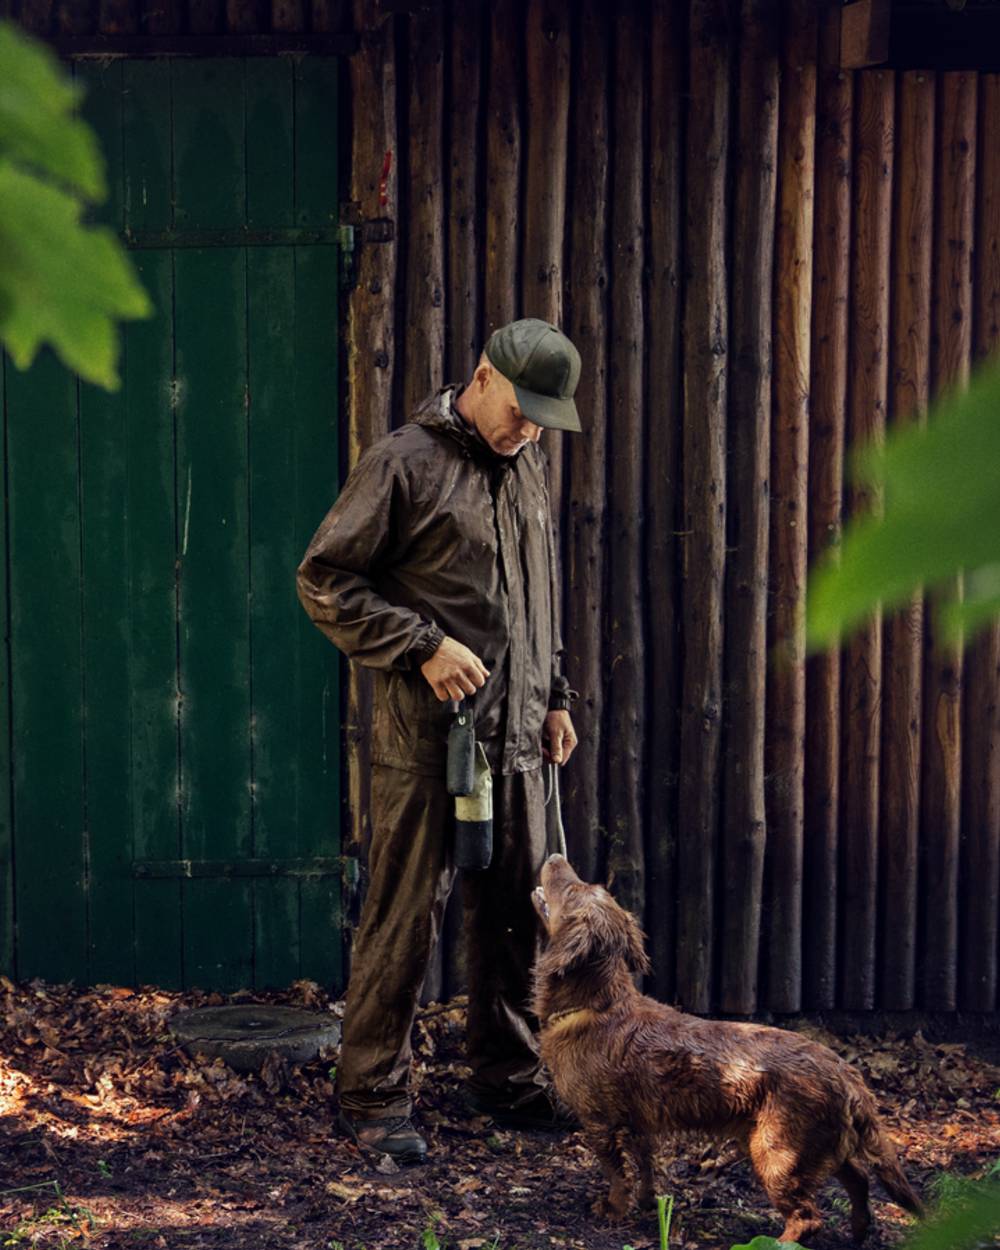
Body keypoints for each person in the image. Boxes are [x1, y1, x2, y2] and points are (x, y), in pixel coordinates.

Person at [296, 317, 582, 1164]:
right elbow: (324, 578)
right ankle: (374, 1095)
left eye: (544, 418)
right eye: (522, 409)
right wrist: (419, 644)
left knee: (513, 919)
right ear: (483, 375)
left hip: (522, 738)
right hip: (428, 743)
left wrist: (555, 695)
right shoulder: (403, 463)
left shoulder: (526, 466)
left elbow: (536, 594)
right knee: (404, 918)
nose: (529, 429)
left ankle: (510, 1076)